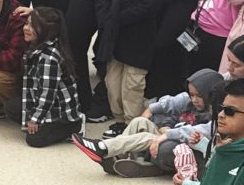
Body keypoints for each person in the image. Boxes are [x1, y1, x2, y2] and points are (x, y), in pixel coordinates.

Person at [72, 69, 226, 178]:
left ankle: (103, 148)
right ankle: (118, 156)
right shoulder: (190, 101)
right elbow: (172, 102)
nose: (194, 99)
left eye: (199, 95)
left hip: (188, 152)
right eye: (192, 94)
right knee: (140, 121)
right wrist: (150, 111)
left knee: (148, 138)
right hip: (172, 136)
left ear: (210, 95)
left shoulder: (218, 115)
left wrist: (168, 133)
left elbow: (200, 131)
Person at [96, 0, 170, 129]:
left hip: (139, 37)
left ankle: (133, 125)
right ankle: (119, 120)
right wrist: (105, 18)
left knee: (132, 85)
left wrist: (115, 18)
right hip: (115, 36)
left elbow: (148, 8)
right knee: (113, 82)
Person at [1, 7, 82, 147]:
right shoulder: (37, 46)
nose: (26, 28)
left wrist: (35, 120)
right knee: (11, 107)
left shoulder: (49, 58)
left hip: (61, 113)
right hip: (47, 105)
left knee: (34, 140)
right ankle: (45, 124)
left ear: (46, 30)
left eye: (33, 26)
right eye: (26, 23)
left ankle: (73, 127)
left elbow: (47, 94)